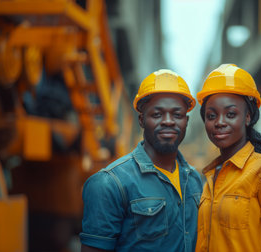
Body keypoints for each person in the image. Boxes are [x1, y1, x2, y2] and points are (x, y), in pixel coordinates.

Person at [80, 69, 203, 252]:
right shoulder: (110, 184)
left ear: (186, 121)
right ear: (141, 120)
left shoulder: (194, 180)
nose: (168, 121)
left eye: (177, 115)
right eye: (157, 114)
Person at [195, 64, 261, 252]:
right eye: (211, 115)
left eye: (230, 114)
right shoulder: (209, 178)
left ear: (248, 117)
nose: (220, 122)